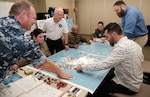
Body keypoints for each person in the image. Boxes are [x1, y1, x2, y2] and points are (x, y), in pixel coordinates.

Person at [0, 0, 72, 83]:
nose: (35, 22)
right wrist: (61, 73)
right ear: (23, 15)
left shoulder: (2, 21)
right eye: (34, 18)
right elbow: (43, 62)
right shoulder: (21, 37)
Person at [75, 23, 144, 97]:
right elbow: (141, 59)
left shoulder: (121, 47)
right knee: (107, 76)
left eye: (107, 36)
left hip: (128, 86)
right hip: (137, 80)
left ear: (114, 34)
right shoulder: (132, 43)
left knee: (96, 89)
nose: (106, 39)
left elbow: (104, 65)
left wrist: (82, 67)